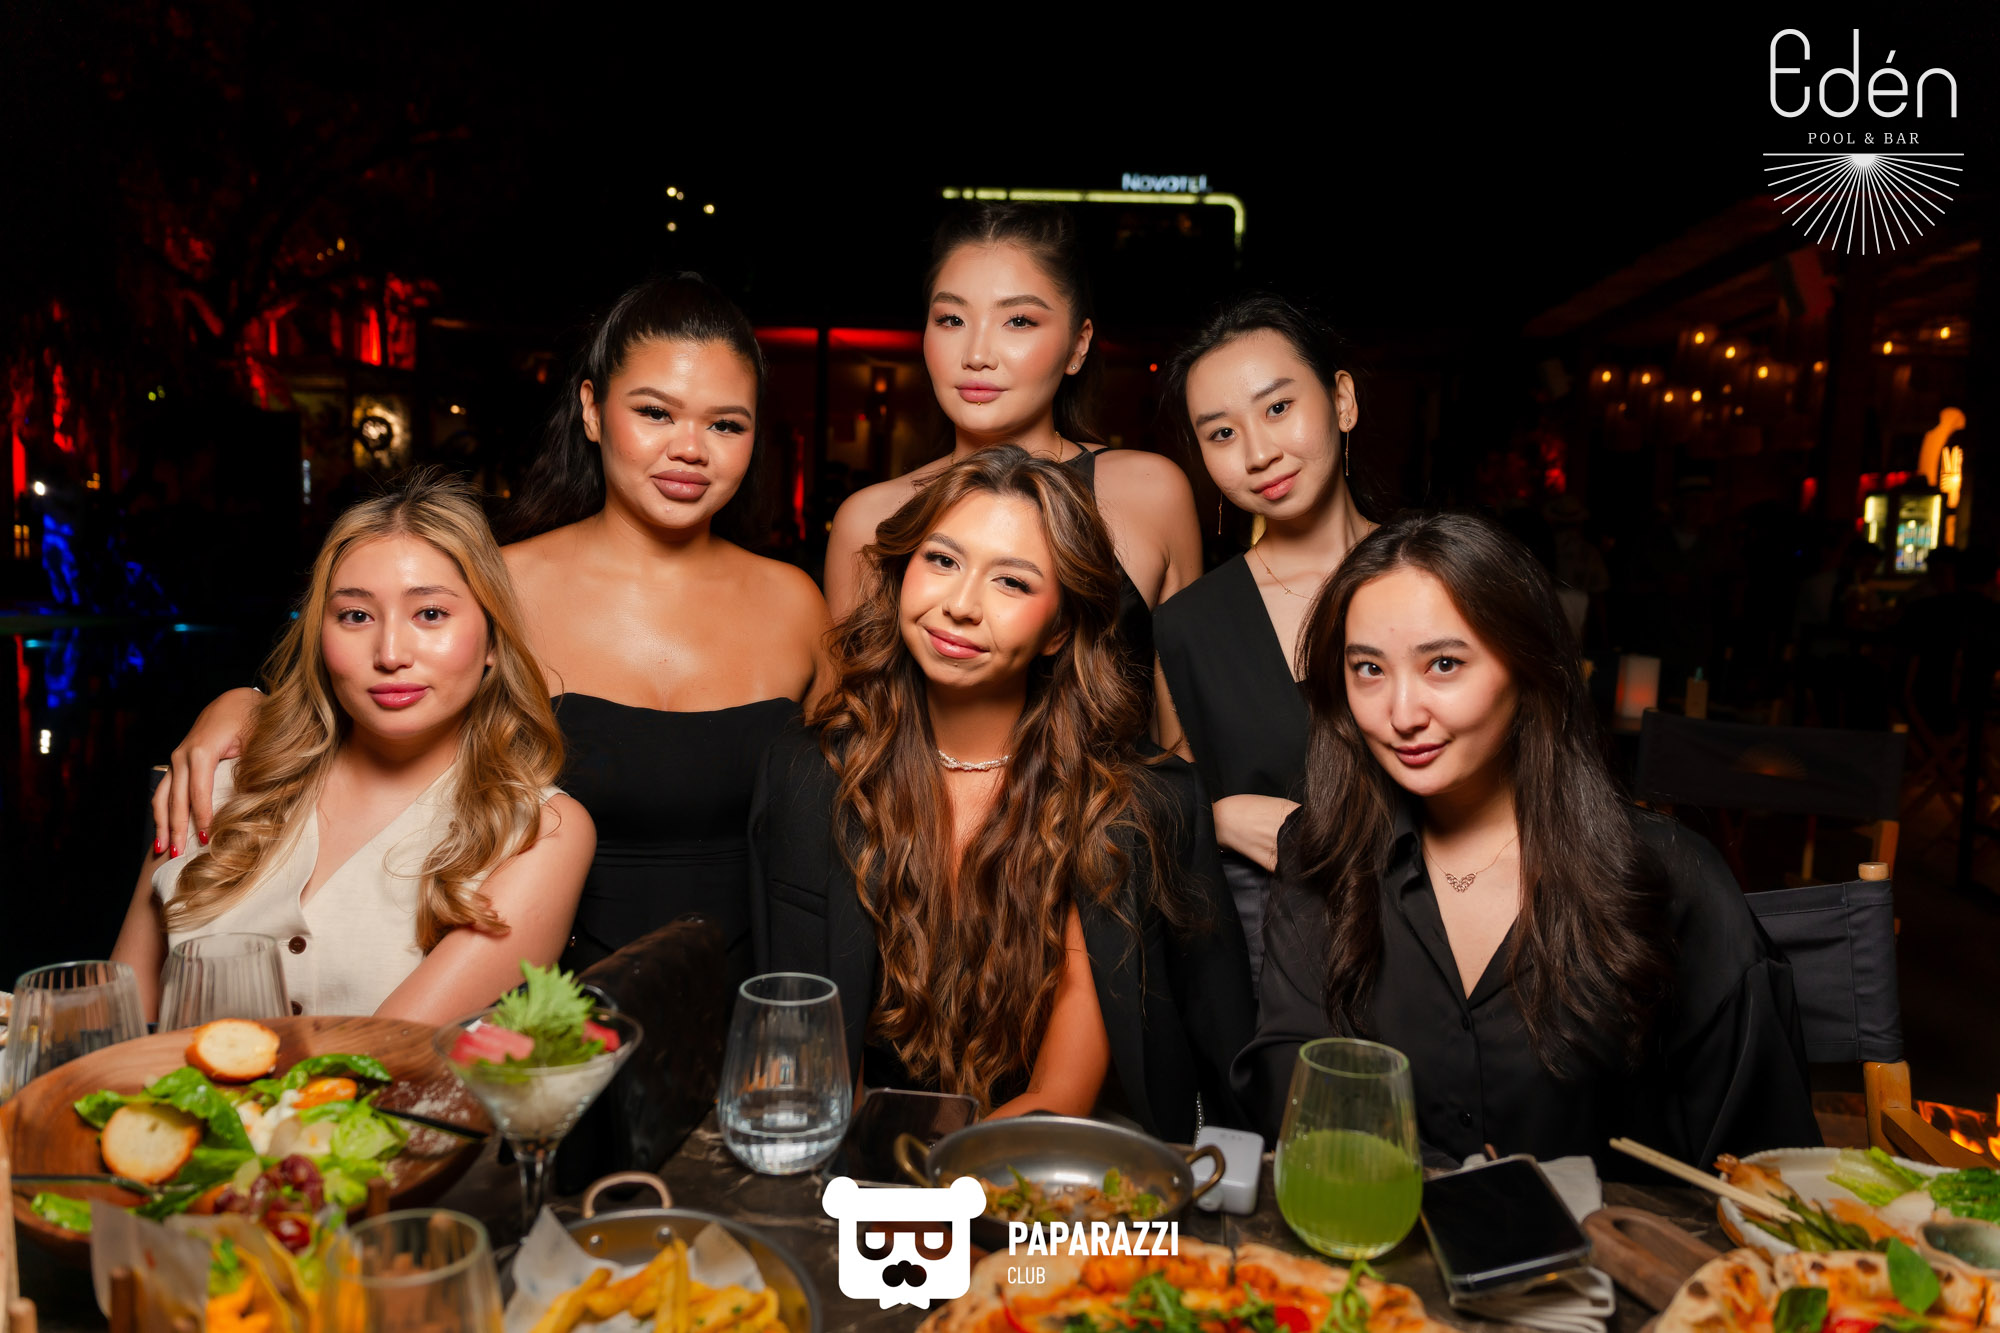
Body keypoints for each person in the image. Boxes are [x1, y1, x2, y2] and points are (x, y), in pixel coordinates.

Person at [150, 275, 829, 985]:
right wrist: (242, 707)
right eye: (655, 412)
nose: (690, 448)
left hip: (758, 1002)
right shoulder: (495, 587)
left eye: (726, 425)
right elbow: (357, 707)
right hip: (520, 1007)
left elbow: (857, 795)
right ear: (592, 410)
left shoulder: (795, 604)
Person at [1234, 511, 1816, 1174]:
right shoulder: (1322, 855)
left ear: (1526, 664)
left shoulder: (1671, 877)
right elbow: (1292, 1085)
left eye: (1444, 664)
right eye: (1368, 669)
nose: (1401, 714)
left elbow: (1765, 1168)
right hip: (1379, 1234)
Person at [754, 446, 1252, 1138]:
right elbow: (808, 1054)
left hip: (1042, 1167)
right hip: (852, 1159)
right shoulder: (811, 774)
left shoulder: (1127, 804)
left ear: (1059, 629)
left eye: (1012, 582)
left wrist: (930, 1185)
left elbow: (1059, 1094)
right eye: (942, 560)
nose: (959, 606)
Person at [112, 473, 594, 1023]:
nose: (390, 654)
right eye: (356, 616)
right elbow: (119, 1021)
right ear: (322, 635)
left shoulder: (538, 831)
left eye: (430, 613)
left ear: (492, 640)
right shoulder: (216, 778)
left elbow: (394, 1052)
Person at [822, 203, 1202, 712]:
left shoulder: (1150, 493)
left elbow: (1184, 729)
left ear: (1078, 346)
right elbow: (850, 726)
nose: (976, 354)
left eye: (1018, 321)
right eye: (951, 319)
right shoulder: (869, 520)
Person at [1152, 294, 1374, 983]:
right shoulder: (1189, 625)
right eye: (1221, 433)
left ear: (1342, 401)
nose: (1258, 453)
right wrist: (1216, 818)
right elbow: (1165, 809)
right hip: (1275, 978)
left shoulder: (1446, 578)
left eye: (1278, 407)